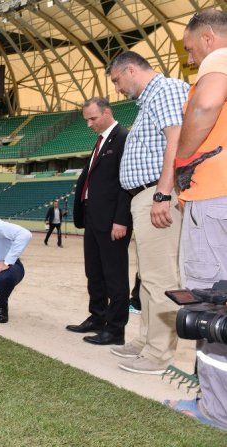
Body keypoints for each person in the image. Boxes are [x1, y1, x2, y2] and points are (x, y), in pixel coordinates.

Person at [106, 50, 189, 374]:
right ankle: (146, 342)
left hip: (156, 193)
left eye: (116, 80)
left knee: (160, 278)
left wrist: (162, 193)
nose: (117, 88)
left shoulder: (165, 90)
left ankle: (159, 354)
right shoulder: (150, 100)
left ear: (130, 70)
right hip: (145, 196)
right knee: (147, 279)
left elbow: (177, 139)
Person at [164, 9, 227, 431]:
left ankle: (215, 410)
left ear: (207, 37)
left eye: (189, 48)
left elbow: (205, 102)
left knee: (211, 304)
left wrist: (184, 157)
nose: (189, 58)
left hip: (214, 197)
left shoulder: (218, 59)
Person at [67, 97, 132, 346]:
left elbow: (125, 183)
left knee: (114, 275)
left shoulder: (123, 138)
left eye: (93, 118)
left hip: (113, 221)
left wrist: (121, 220)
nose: (89, 124)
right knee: (93, 271)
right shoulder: (101, 141)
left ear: (107, 112)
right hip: (94, 217)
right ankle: (97, 317)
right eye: (86, 120)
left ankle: (115, 330)